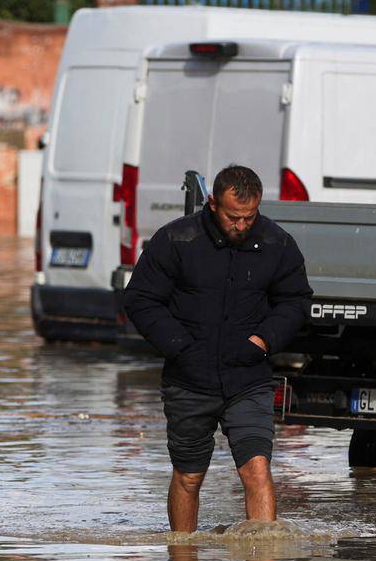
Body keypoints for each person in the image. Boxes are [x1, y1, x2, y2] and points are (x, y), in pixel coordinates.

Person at [122, 164, 312, 532]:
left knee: (257, 470)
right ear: (212, 204)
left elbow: (295, 301)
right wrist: (180, 347)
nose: (241, 226)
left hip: (248, 377)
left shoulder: (277, 243)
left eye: (249, 217)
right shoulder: (176, 240)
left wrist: (262, 342)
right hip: (189, 379)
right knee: (189, 476)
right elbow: (141, 299)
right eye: (232, 217)